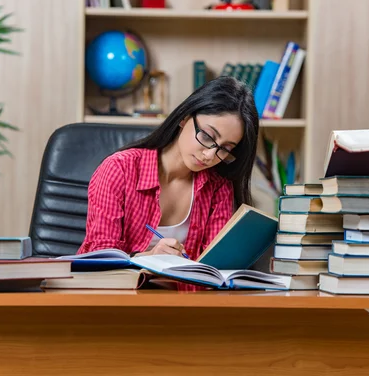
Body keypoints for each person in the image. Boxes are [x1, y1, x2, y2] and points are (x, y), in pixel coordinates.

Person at [77, 76, 259, 260]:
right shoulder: (119, 170)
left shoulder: (218, 187)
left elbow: (214, 266)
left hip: (180, 290)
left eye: (225, 148)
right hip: (118, 288)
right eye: (207, 136)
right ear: (184, 118)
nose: (210, 155)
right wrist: (148, 257)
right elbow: (100, 258)